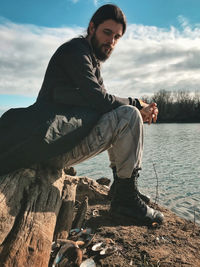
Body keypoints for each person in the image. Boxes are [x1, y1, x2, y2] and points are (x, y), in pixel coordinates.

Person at [0, 4, 164, 225]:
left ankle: (122, 189)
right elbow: (100, 100)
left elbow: (102, 101)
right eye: (107, 33)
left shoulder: (91, 60)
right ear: (92, 27)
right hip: (53, 145)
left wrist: (140, 106)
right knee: (129, 116)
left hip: (59, 141)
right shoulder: (75, 52)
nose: (112, 42)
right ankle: (125, 201)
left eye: (117, 37)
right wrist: (138, 104)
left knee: (124, 114)